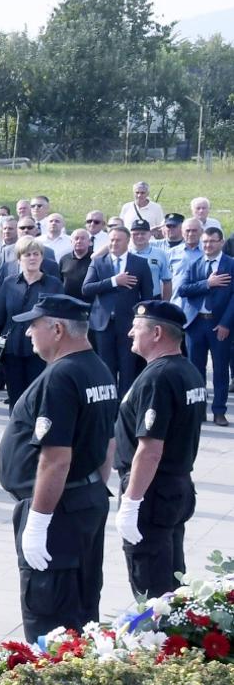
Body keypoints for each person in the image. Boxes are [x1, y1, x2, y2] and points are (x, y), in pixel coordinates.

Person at [0, 295, 117, 643]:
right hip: (82, 500)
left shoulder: (62, 375)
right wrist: (90, 484)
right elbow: (107, 441)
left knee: (51, 621)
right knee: (79, 610)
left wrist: (38, 521)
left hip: (59, 510)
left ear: (58, 329)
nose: (29, 333)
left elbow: (55, 457)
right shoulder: (97, 367)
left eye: (35, 325)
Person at [113, 301, 205, 599]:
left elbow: (150, 449)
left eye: (136, 328)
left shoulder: (158, 377)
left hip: (152, 492)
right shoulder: (186, 370)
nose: (130, 333)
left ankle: (159, 642)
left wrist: (131, 502)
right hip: (174, 486)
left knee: (152, 590)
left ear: (155, 333)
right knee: (172, 578)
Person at [0, 238, 64, 407]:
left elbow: (60, 320)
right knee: (16, 402)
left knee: (39, 402)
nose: (32, 258)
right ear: (19, 259)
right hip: (12, 352)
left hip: (42, 353)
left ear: (42, 258)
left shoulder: (54, 284)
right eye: (27, 254)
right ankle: (17, 434)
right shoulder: (9, 283)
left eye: (36, 254)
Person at [83, 226, 152, 394]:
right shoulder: (98, 262)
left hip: (128, 325)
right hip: (103, 325)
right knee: (106, 368)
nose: (113, 243)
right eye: (111, 240)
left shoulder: (140, 263)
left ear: (127, 241)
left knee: (127, 368)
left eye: (118, 240)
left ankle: (125, 409)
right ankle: (109, 408)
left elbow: (147, 296)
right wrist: (114, 281)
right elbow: (86, 288)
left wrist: (142, 321)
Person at [179, 226, 234, 426]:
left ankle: (219, 411)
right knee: (195, 370)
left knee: (220, 369)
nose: (208, 245)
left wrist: (226, 324)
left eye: (212, 241)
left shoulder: (231, 264)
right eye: (205, 242)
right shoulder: (194, 264)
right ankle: (198, 410)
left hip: (219, 325)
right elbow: (183, 289)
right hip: (195, 324)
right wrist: (207, 284)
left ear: (221, 242)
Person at [60, 227, 94, 299]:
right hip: (67, 304)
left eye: (83, 238)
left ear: (89, 242)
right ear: (71, 242)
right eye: (76, 238)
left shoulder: (95, 260)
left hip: (89, 304)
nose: (79, 241)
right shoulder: (64, 259)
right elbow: (59, 282)